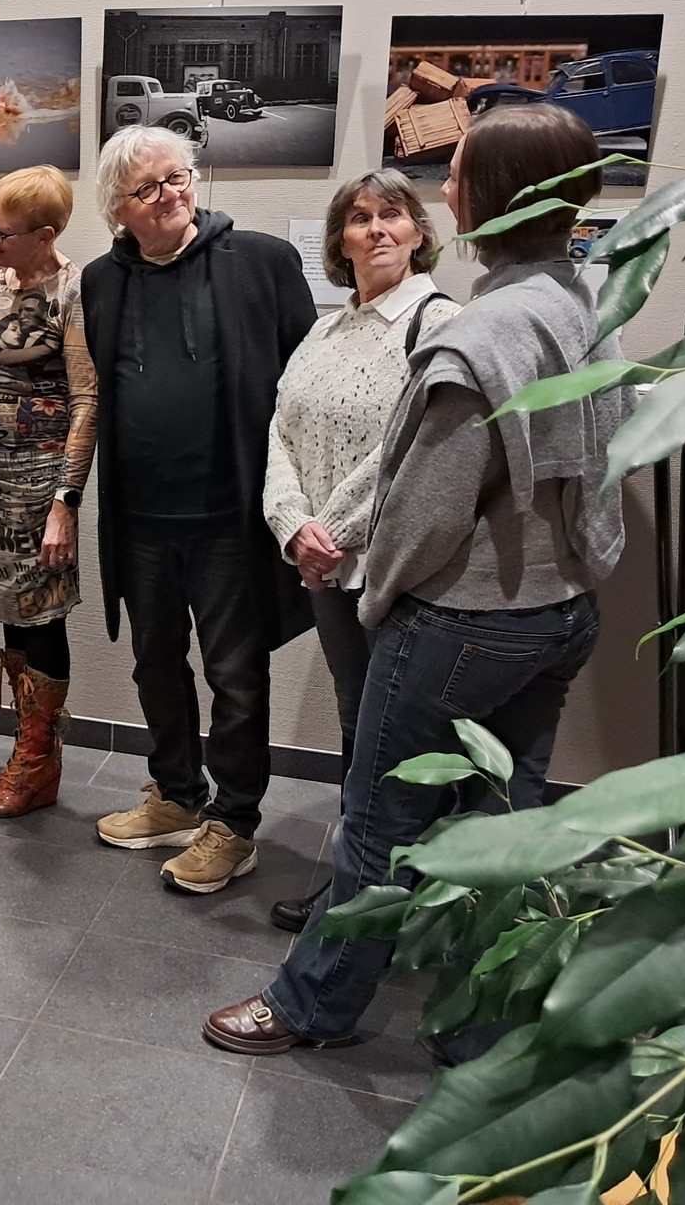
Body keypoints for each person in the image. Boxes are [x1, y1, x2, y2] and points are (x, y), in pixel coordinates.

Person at [204, 103, 633, 1055]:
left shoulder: (477, 333)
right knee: (503, 816)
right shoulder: (586, 301)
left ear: (494, 195)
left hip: (466, 621)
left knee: (377, 820)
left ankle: (312, 1005)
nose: (445, 187)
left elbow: (426, 507)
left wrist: (379, 595)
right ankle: (480, 1026)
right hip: (560, 609)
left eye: (457, 172)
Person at [82, 124, 315, 892]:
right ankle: (178, 795)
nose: (169, 196)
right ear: (118, 208)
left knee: (235, 675)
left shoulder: (263, 262)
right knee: (155, 663)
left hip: (228, 521)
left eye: (177, 177)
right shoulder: (102, 281)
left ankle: (235, 824)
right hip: (141, 521)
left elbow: (302, 391)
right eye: (147, 188)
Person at [259, 170, 459, 931]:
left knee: (396, 733)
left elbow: (418, 447)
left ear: (418, 232)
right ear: (339, 241)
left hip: (393, 569)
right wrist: (292, 525)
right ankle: (363, 881)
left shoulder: (440, 323)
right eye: (360, 217)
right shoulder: (324, 330)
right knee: (358, 721)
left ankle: (389, 892)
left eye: (393, 215)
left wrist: (330, 534)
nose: (377, 229)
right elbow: (279, 429)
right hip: (322, 566)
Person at [0, 166, 97, 819]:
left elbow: (87, 399)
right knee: (12, 614)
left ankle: (38, 761)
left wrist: (66, 503)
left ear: (45, 236)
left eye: (3, 231)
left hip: (41, 486)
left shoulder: (73, 289)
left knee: (41, 615)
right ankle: (29, 753)